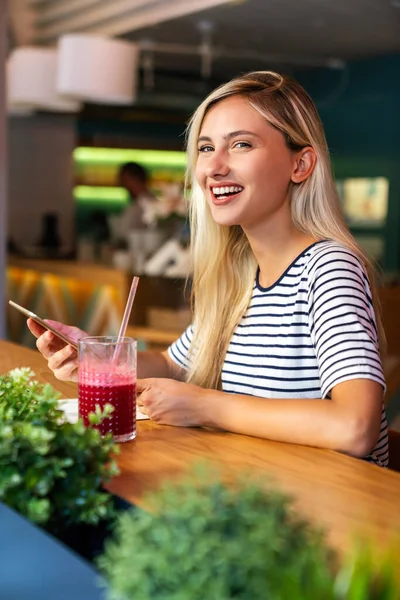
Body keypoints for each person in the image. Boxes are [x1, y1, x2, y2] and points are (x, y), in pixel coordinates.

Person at [28, 71, 388, 467]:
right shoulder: (241, 273)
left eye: (241, 145)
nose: (213, 168)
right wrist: (92, 358)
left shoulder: (327, 268)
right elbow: (175, 365)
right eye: (205, 148)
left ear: (300, 165)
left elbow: (355, 427)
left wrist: (204, 406)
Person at [118, 162, 157, 232]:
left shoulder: (155, 206)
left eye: (124, 180)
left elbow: (123, 234)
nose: (122, 184)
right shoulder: (135, 205)